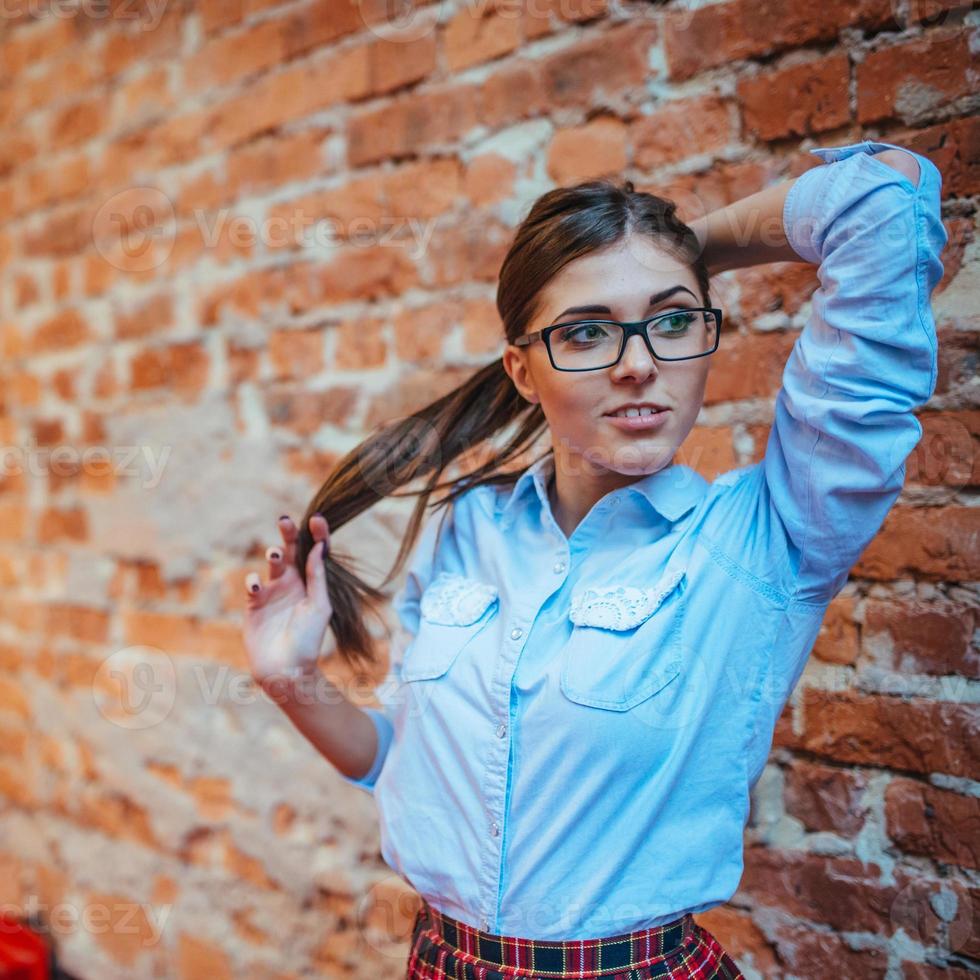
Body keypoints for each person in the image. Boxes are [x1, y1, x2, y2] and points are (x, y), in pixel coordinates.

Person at [241, 139, 945, 979]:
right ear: (523, 371)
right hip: (439, 962)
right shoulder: (471, 528)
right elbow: (402, 764)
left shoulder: (770, 540)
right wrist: (292, 680)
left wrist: (686, 246)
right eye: (586, 333)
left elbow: (883, 201)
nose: (640, 363)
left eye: (673, 318)